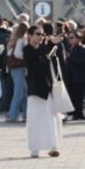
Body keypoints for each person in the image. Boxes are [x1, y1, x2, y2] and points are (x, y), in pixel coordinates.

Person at [23, 26, 62, 157]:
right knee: (35, 120)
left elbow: (53, 63)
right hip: (35, 90)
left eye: (42, 34)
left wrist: (53, 46)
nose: (41, 36)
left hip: (47, 89)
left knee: (50, 119)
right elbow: (35, 62)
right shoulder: (27, 50)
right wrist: (50, 45)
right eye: (37, 34)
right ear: (29, 35)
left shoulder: (43, 48)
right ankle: (35, 148)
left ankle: (53, 146)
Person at [64, 30, 85, 120]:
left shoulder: (81, 49)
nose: (70, 40)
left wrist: (70, 58)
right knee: (72, 94)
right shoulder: (68, 48)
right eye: (69, 38)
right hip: (70, 75)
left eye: (72, 38)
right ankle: (75, 112)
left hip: (79, 76)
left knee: (79, 95)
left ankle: (79, 113)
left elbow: (83, 62)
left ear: (78, 39)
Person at [5, 23, 28, 122]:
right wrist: (27, 57)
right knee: (19, 93)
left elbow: (10, 54)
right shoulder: (21, 40)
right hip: (19, 68)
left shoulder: (13, 40)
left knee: (23, 92)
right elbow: (18, 54)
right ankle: (12, 115)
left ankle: (26, 115)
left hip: (13, 68)